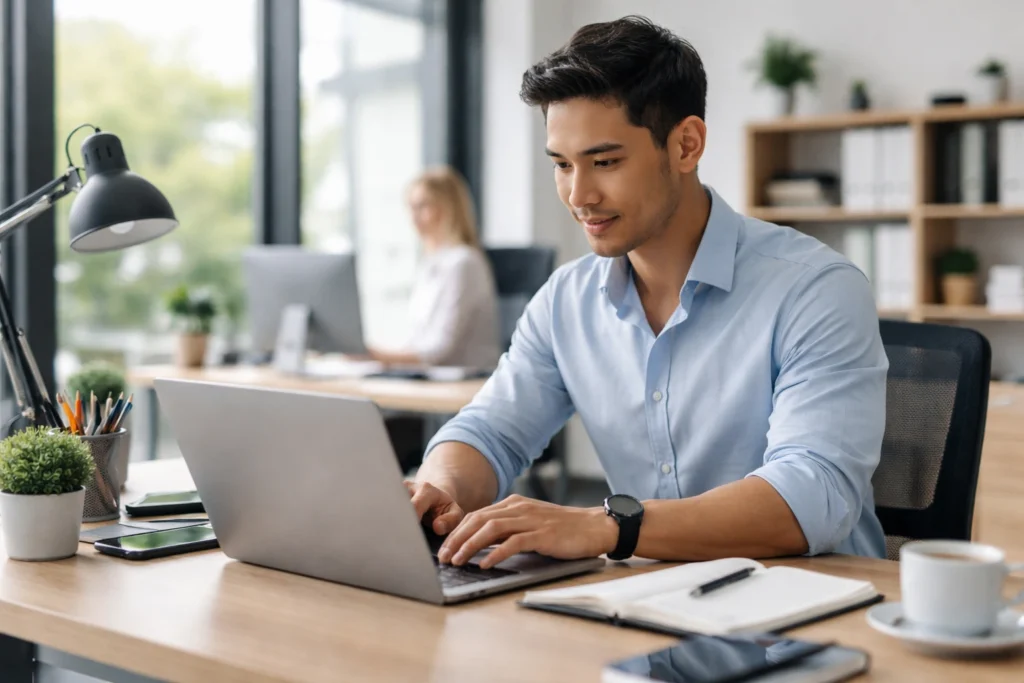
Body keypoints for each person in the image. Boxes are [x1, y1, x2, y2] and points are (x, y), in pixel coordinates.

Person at [406, 15, 889, 570]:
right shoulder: (567, 300)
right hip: (648, 601)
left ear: (686, 145)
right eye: (562, 165)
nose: (579, 195)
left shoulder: (816, 290)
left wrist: (609, 527)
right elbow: (488, 429)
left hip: (815, 608)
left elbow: (814, 495)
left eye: (605, 162)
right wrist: (437, 489)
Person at [368, 166, 500, 370]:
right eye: (411, 207)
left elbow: (440, 350)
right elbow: (420, 340)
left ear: (449, 209)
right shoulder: (430, 264)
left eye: (423, 206)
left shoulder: (464, 263)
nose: (414, 217)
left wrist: (382, 356)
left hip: (463, 381)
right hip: (432, 378)